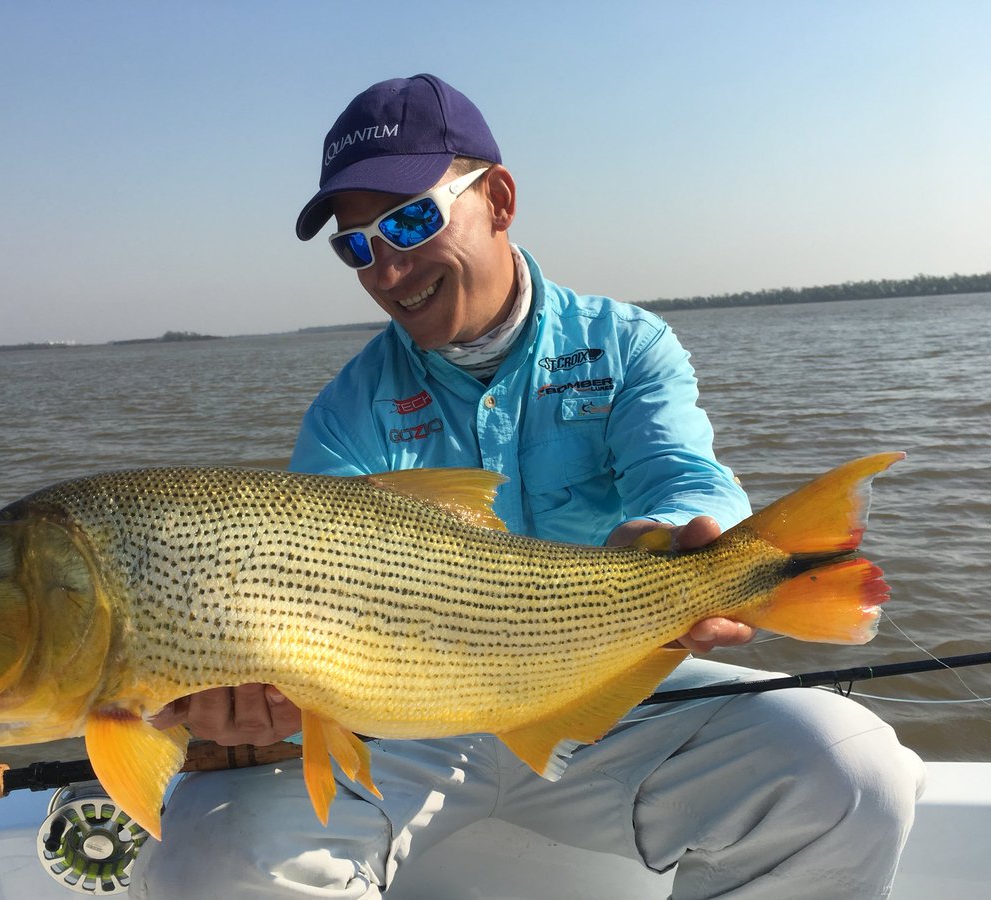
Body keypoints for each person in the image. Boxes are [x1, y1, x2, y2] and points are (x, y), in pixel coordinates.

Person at [134, 74, 924, 899]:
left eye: (409, 219)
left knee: (852, 774)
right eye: (355, 245)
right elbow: (303, 600)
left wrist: (684, 534)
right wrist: (254, 697)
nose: (386, 267)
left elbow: (683, 471)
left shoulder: (626, 345)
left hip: (618, 684)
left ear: (499, 199)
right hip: (407, 720)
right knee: (212, 859)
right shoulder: (344, 412)